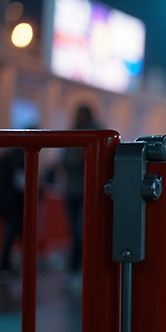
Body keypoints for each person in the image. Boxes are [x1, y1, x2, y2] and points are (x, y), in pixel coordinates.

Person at [62, 105, 100, 290]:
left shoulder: (97, 132)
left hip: (88, 191)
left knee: (82, 233)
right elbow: (64, 161)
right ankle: (77, 272)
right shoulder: (72, 133)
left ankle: (79, 271)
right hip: (73, 191)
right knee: (77, 234)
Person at [0, 148, 25, 284]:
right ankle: (5, 266)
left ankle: (6, 266)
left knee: (11, 233)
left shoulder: (8, 156)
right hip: (12, 203)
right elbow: (19, 181)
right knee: (11, 233)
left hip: (5, 202)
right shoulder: (17, 157)